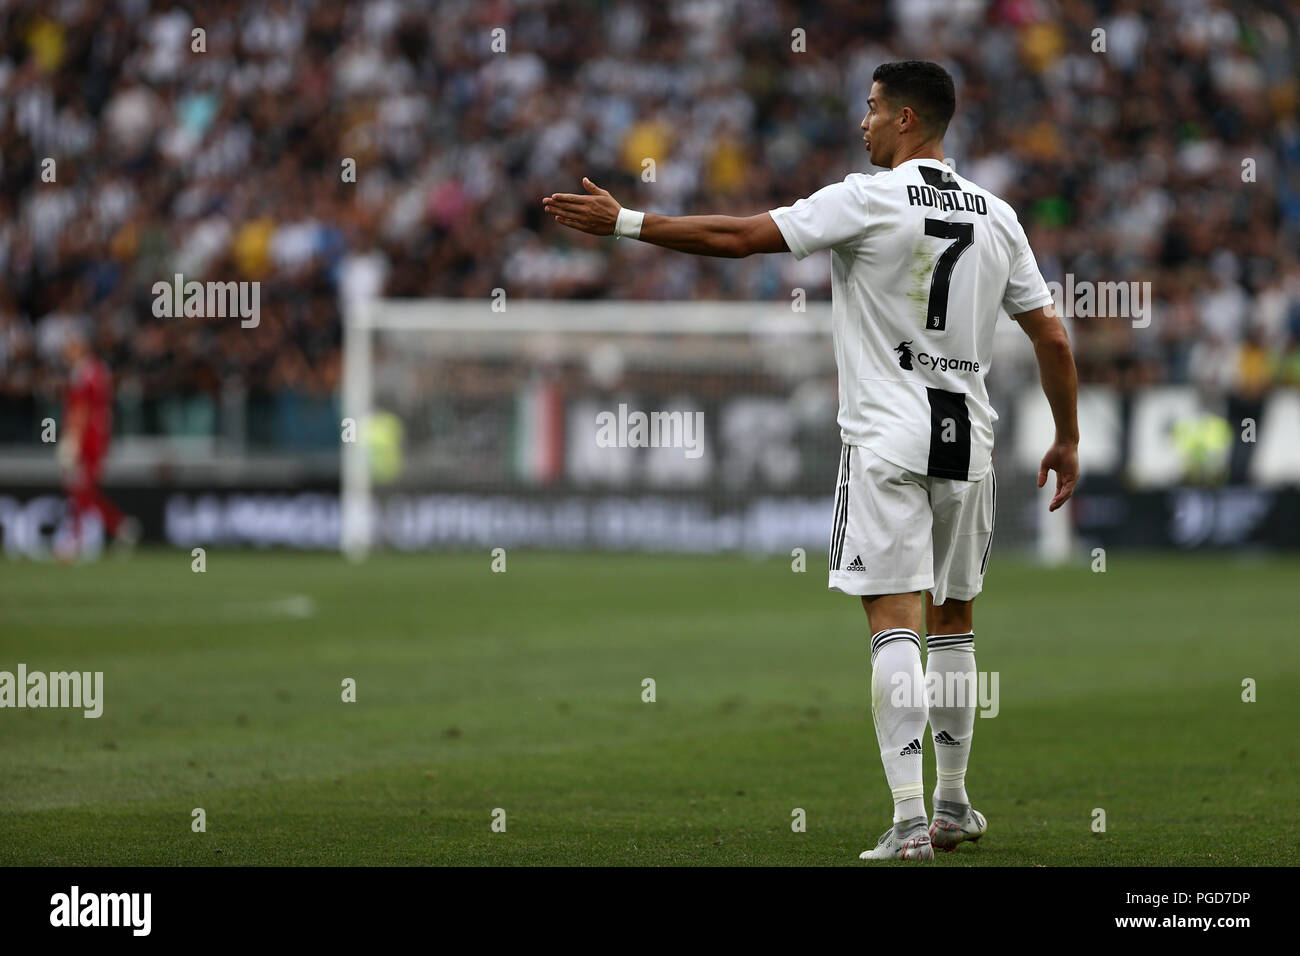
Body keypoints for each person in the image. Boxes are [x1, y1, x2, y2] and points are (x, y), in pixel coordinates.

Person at [542, 59, 1079, 862]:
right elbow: (1054, 336)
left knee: (893, 622)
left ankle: (906, 822)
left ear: (905, 119)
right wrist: (1068, 436)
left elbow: (739, 238)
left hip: (886, 440)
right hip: (969, 442)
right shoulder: (998, 216)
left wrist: (627, 223)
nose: (860, 123)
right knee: (956, 622)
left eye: (870, 109)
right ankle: (955, 803)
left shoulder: (866, 198)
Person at [60, 331, 138, 559]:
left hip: (88, 440)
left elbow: (81, 409)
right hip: (99, 437)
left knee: (78, 489)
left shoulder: (82, 372)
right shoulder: (99, 368)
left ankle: (77, 539)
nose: (67, 353)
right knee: (84, 490)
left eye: (70, 348)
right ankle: (119, 526)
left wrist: (71, 439)